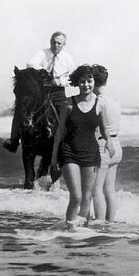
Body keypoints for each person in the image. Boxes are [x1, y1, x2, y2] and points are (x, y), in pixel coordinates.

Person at [50, 64, 110, 230]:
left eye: (89, 81)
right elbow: (60, 131)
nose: (86, 84)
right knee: (76, 196)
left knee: (87, 197)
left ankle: (84, 231)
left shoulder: (100, 104)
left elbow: (104, 130)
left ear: (94, 82)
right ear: (77, 83)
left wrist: (110, 148)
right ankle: (69, 230)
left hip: (91, 153)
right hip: (69, 152)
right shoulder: (68, 104)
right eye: (82, 81)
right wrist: (54, 158)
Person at [3, 31, 77, 152]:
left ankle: (68, 142)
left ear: (64, 44)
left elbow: (71, 76)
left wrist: (60, 81)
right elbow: (30, 64)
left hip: (58, 91)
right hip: (42, 89)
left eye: (59, 43)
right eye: (54, 42)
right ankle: (14, 140)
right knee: (22, 107)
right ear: (50, 42)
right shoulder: (42, 53)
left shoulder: (68, 58)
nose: (56, 45)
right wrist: (43, 73)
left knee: (67, 111)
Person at [90, 64, 122, 223]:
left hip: (103, 145)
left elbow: (93, 125)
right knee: (109, 190)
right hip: (117, 144)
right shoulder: (114, 98)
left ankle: (100, 224)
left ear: (92, 81)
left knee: (95, 190)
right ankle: (110, 223)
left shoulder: (98, 101)